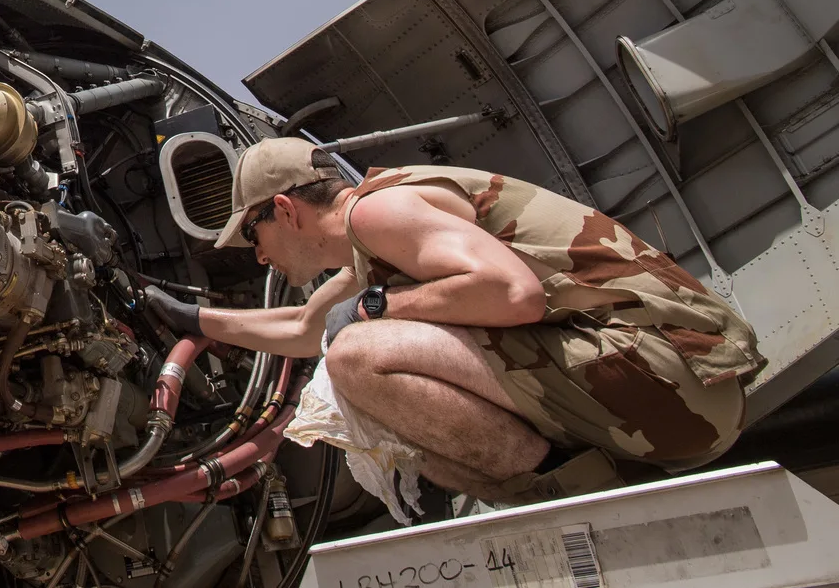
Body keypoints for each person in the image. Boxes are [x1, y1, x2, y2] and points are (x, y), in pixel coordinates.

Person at [142, 138, 763, 503]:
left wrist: (378, 308)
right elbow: (305, 328)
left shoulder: (378, 212)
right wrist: (194, 318)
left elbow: (511, 293)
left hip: (657, 372)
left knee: (358, 359)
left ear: (285, 208)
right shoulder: (377, 237)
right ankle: (571, 491)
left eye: (254, 232)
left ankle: (559, 495)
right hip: (667, 399)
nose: (258, 254)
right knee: (396, 421)